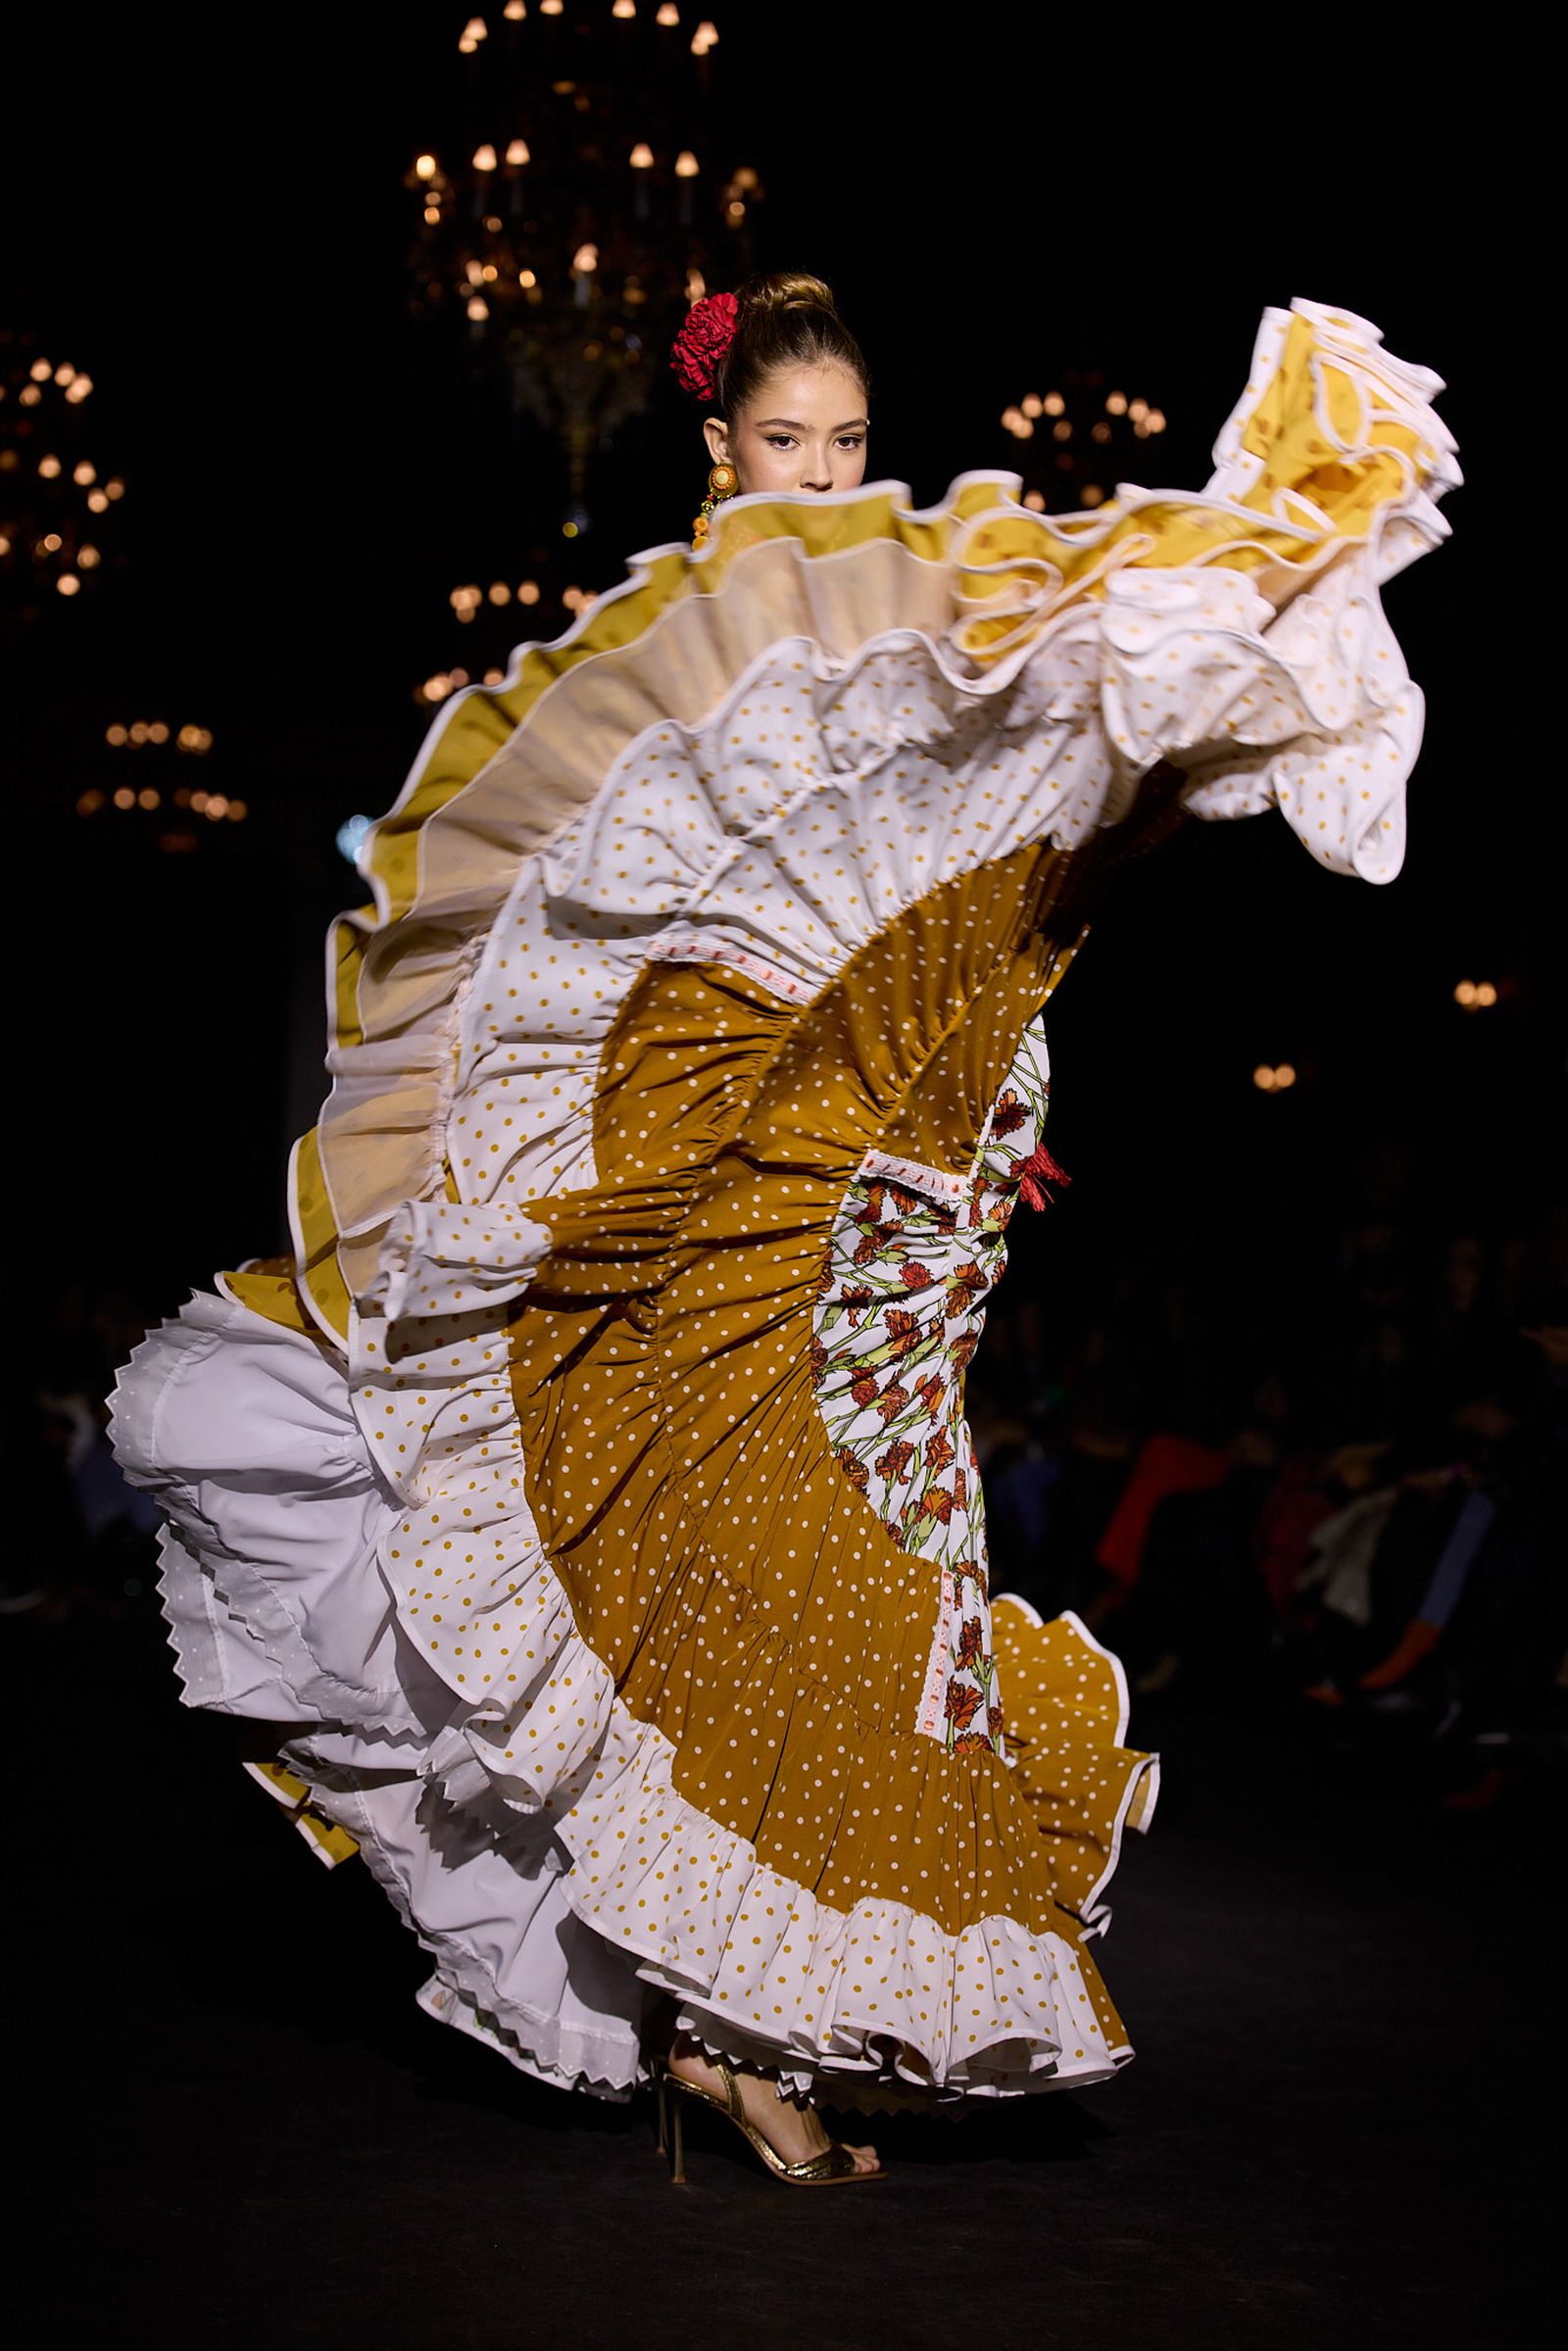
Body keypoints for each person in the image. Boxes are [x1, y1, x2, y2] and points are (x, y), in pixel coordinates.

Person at [111, 271, 1456, 2185]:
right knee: (632, 1570)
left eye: (842, 444)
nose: (815, 473)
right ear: (715, 449)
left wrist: (1227, 599)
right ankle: (717, 2035)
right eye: (778, 443)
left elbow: (1072, 771)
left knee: (825, 1613)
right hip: (701, 1182)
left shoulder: (907, 643)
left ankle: (747, 2032)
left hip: (886, 1192)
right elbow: (562, 942)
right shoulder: (672, 671)